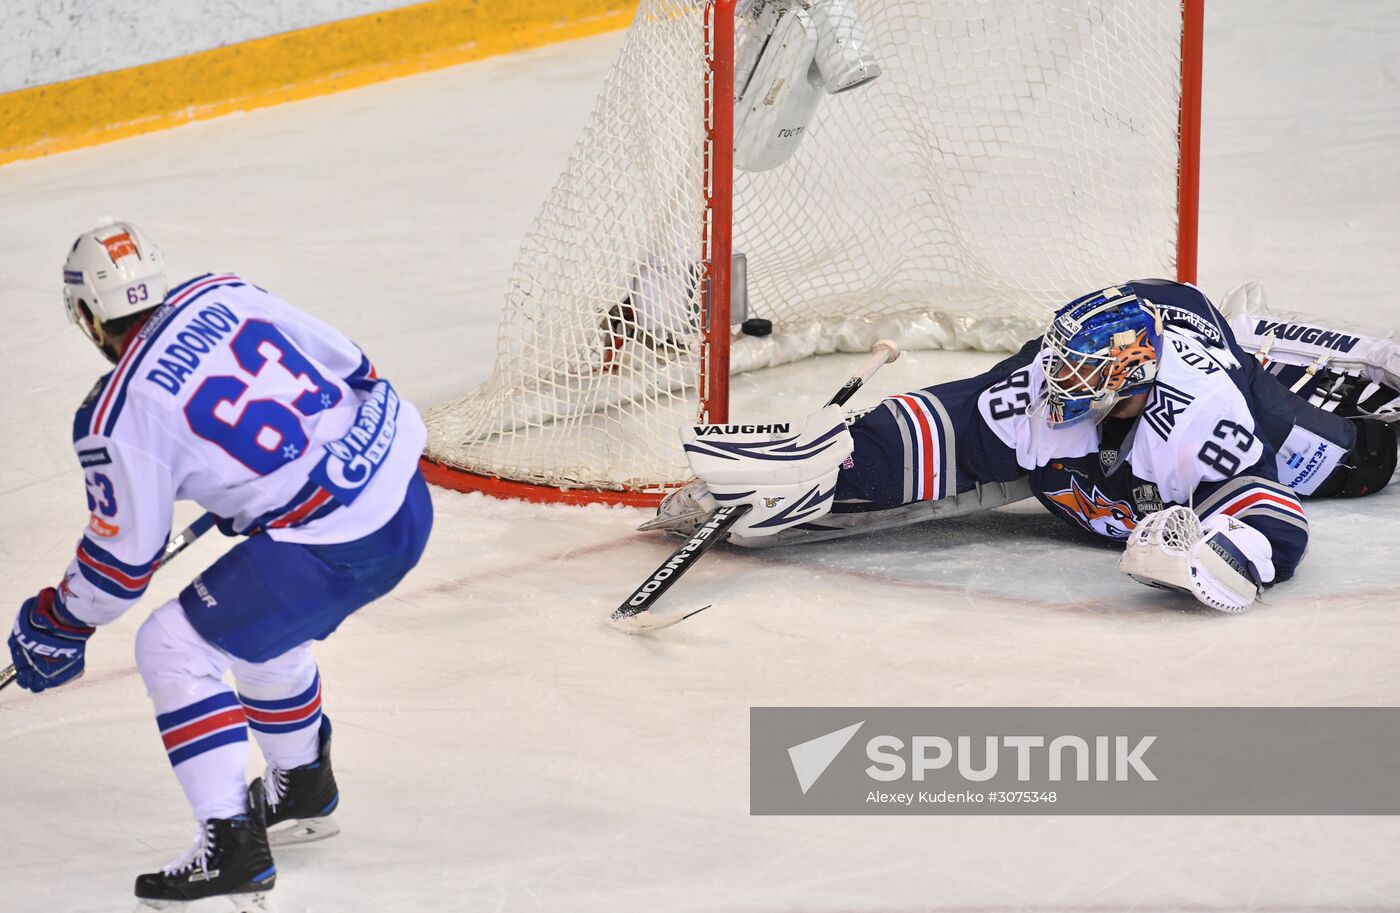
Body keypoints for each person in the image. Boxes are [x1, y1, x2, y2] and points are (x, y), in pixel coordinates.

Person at [7, 221, 434, 909]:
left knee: (172, 643)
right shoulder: (224, 294)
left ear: (88, 316)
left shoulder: (117, 414)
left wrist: (58, 620)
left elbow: (121, 565)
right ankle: (301, 787)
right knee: (254, 621)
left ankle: (231, 845)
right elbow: (354, 366)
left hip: (336, 542)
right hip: (405, 499)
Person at [654, 279, 1399, 612]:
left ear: (1133, 376)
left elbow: (1275, 517)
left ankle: (1259, 341)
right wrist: (829, 463)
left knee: (1358, 459)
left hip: (1201, 338)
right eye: (1060, 360)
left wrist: (1226, 552)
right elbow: (939, 431)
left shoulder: (1205, 413)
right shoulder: (1040, 385)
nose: (1058, 381)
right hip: (1143, 320)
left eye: (1080, 371)